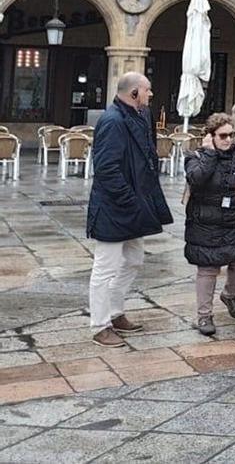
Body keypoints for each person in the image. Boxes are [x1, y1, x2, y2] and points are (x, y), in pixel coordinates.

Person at [86, 72, 173, 347]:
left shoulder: (139, 115)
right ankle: (99, 325)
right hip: (115, 206)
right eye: (147, 91)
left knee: (134, 259)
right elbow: (106, 168)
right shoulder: (112, 121)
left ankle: (114, 310)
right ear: (134, 92)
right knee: (105, 267)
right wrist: (129, 200)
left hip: (134, 205)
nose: (151, 95)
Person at [185, 113, 235, 336]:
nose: (228, 140)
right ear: (210, 136)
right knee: (208, 268)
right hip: (207, 222)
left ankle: (230, 295)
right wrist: (209, 154)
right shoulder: (195, 155)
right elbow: (196, 178)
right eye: (223, 135)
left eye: (231, 135)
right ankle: (204, 316)